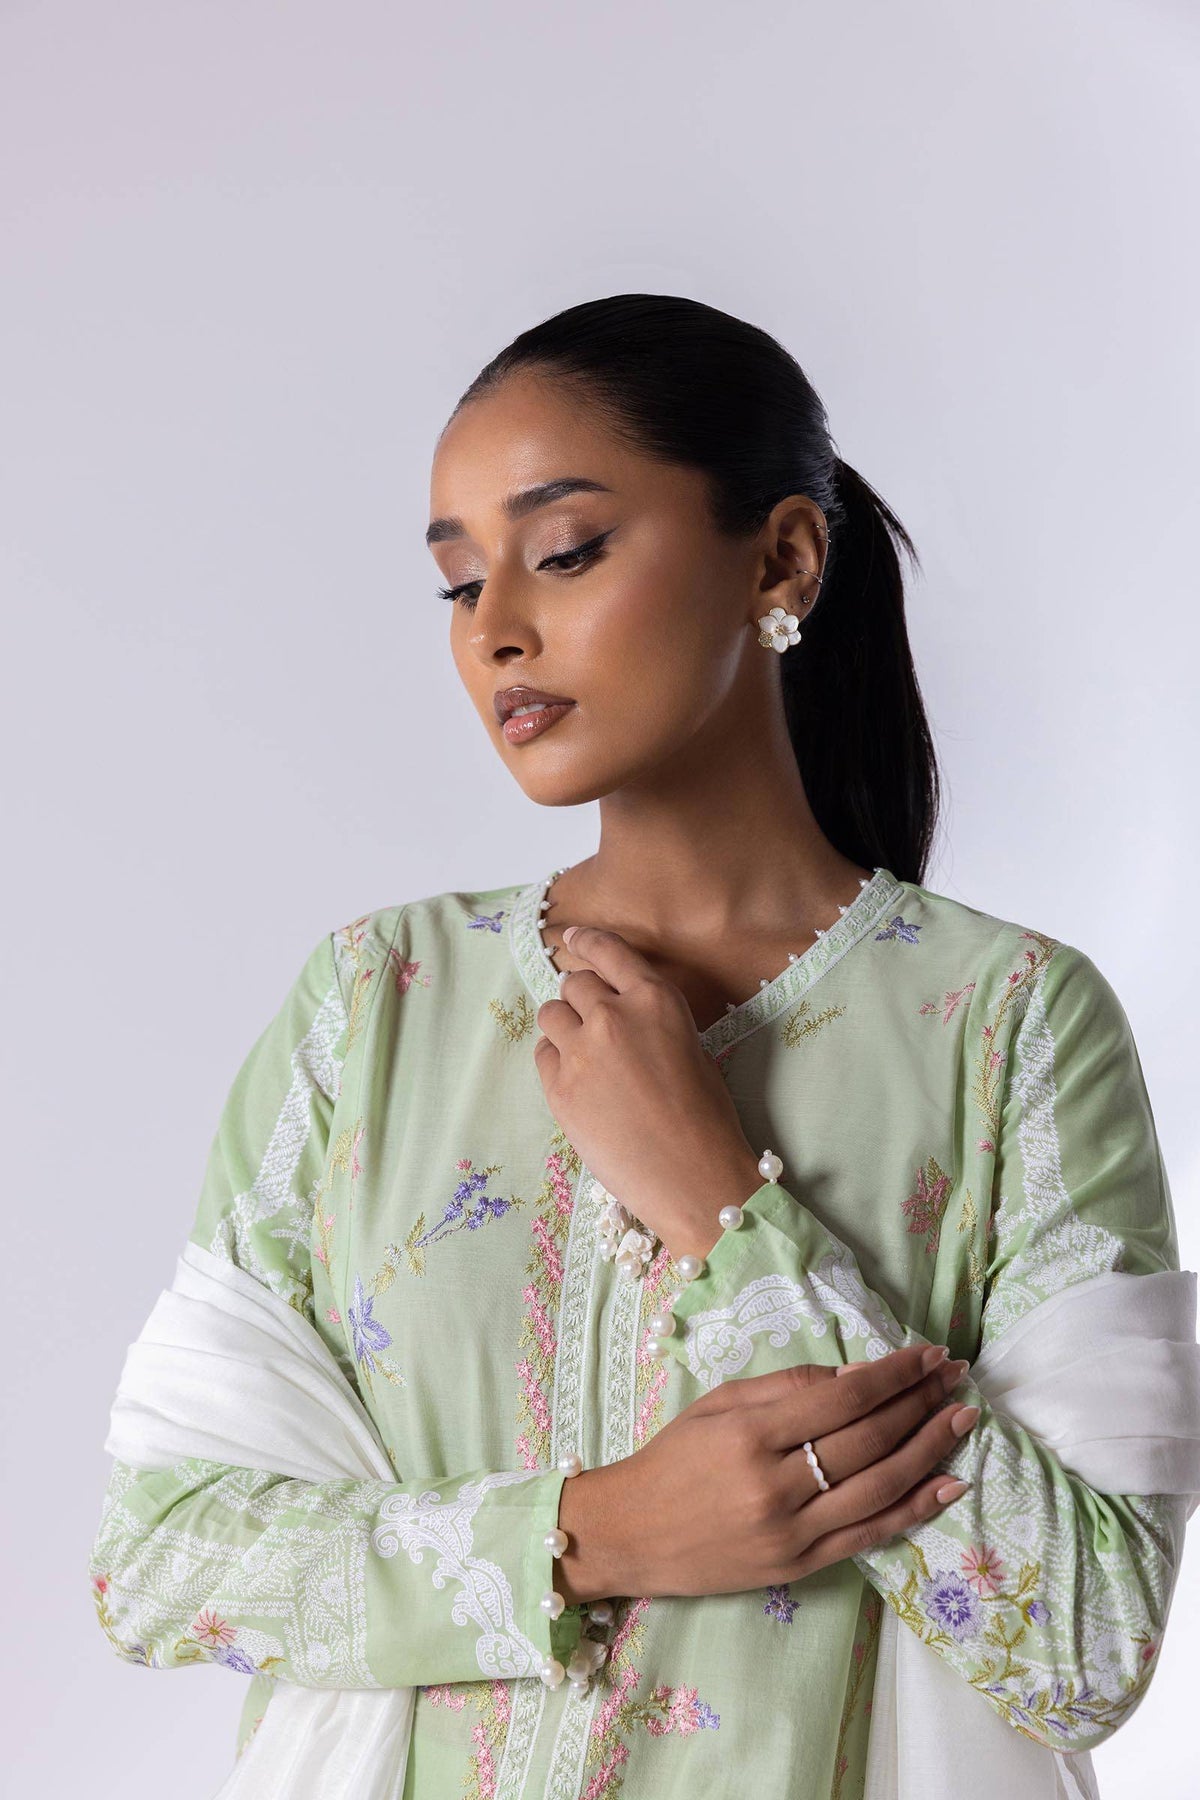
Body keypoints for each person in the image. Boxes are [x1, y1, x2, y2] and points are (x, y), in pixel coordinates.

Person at [89, 294, 1191, 1799]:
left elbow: (1085, 1646)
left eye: (565, 550)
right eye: (458, 581)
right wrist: (594, 1533)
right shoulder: (375, 1002)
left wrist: (725, 1214)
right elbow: (157, 1559)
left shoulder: (1011, 1026)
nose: (496, 627)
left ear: (781, 560)